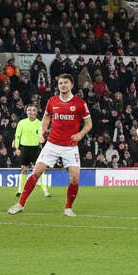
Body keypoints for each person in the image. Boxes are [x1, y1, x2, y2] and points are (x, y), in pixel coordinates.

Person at [9, 74, 91, 217]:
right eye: (60, 83)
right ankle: (20, 204)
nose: (63, 85)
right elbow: (46, 116)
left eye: (66, 83)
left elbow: (89, 124)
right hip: (52, 144)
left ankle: (68, 208)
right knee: (36, 172)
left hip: (70, 147)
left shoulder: (79, 103)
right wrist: (43, 131)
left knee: (75, 178)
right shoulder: (52, 101)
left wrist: (80, 134)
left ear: (72, 85)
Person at [13, 104, 48, 199]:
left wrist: (42, 139)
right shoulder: (22, 123)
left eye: (33, 110)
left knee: (40, 169)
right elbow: (17, 136)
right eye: (29, 110)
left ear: (36, 112)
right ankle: (20, 190)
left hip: (36, 148)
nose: (31, 112)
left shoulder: (39, 123)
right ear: (26, 112)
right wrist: (17, 148)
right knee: (23, 169)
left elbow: (42, 136)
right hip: (25, 148)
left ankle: (45, 191)